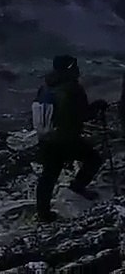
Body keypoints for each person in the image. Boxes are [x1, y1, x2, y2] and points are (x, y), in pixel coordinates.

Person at [33, 55, 109, 222]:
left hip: (46, 138)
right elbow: (83, 114)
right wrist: (98, 106)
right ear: (70, 68)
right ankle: (78, 185)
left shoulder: (45, 86)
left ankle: (43, 213)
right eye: (75, 66)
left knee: (49, 175)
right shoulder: (73, 88)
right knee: (93, 159)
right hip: (66, 139)